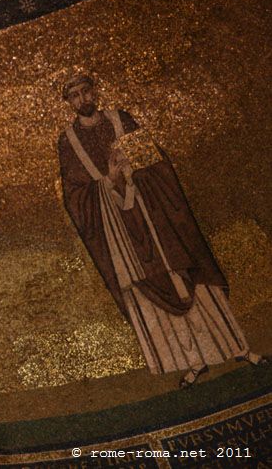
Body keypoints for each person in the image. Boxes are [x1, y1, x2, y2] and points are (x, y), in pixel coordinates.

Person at [56, 73, 267, 389]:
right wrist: (109, 182)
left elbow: (157, 163)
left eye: (86, 92)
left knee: (191, 281)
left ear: (94, 92)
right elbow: (75, 196)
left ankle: (238, 347)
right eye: (74, 96)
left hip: (157, 220)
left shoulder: (121, 119)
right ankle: (193, 361)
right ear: (68, 103)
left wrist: (131, 172)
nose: (82, 100)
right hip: (120, 235)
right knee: (148, 294)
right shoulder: (68, 141)